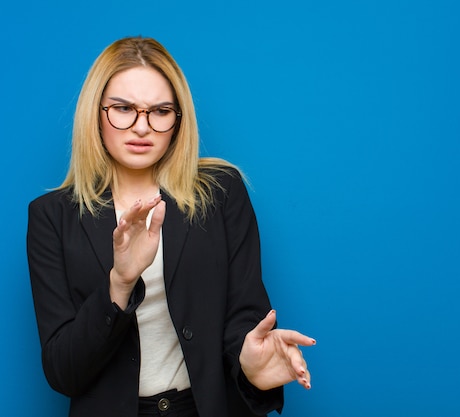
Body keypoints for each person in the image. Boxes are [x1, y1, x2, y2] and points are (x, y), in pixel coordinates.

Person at [27, 36, 315, 417]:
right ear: (96, 112)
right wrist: (120, 283)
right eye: (123, 108)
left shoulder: (221, 192)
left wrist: (250, 365)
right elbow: (63, 372)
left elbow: (244, 316)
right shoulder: (52, 216)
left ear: (178, 119)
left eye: (160, 111)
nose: (142, 127)